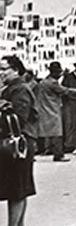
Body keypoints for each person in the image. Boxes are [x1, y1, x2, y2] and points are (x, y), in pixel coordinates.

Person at [1, 55, 36, 226]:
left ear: (15, 69)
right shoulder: (9, 88)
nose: (0, 73)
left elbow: (19, 120)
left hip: (17, 145)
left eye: (3, 69)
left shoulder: (20, 89)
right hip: (12, 145)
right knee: (17, 189)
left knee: (17, 190)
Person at [35, 62, 76, 161]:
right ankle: (58, 154)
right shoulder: (53, 83)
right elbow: (65, 91)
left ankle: (37, 152)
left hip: (44, 109)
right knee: (57, 133)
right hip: (52, 110)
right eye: (58, 72)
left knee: (42, 133)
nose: (59, 74)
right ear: (54, 72)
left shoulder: (43, 82)